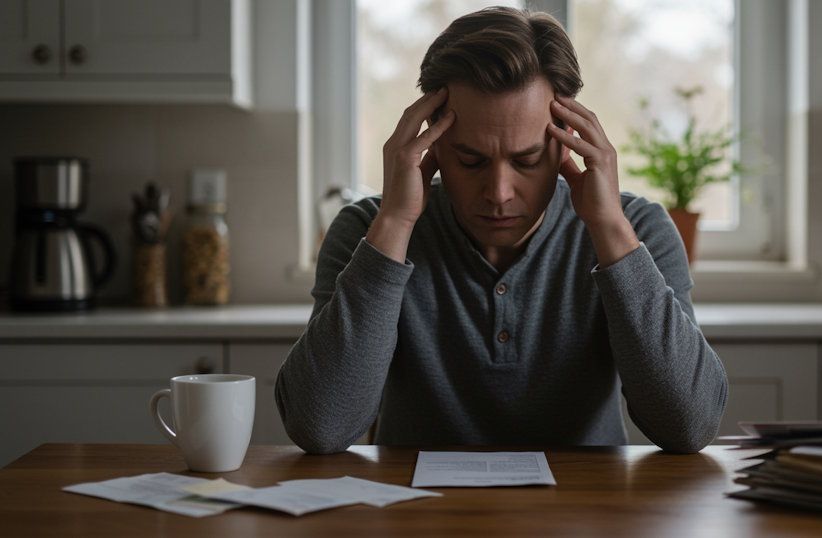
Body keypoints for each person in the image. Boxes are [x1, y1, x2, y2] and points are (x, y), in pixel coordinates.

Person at [275, 6, 727, 454]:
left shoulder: (637, 229)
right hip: (417, 516)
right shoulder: (366, 230)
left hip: (586, 515)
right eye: (471, 160)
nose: (499, 192)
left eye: (527, 160)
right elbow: (320, 427)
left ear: (567, 137)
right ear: (429, 140)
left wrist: (609, 229)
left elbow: (689, 425)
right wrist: (395, 223)